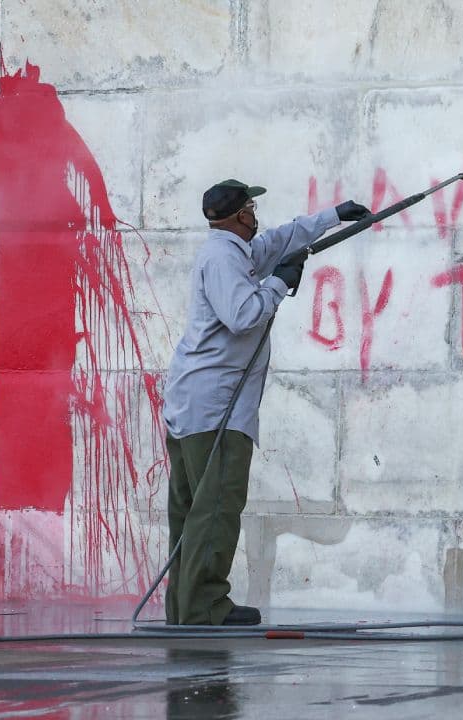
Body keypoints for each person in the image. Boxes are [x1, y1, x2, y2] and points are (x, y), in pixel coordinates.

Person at [161, 179, 370, 625]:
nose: (257, 216)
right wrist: (278, 283)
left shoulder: (231, 251)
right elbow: (243, 316)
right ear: (240, 215)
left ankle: (184, 608)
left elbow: (279, 241)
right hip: (214, 407)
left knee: (191, 511)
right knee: (215, 507)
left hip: (196, 403)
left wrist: (332, 216)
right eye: (252, 208)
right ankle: (205, 607)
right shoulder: (223, 258)